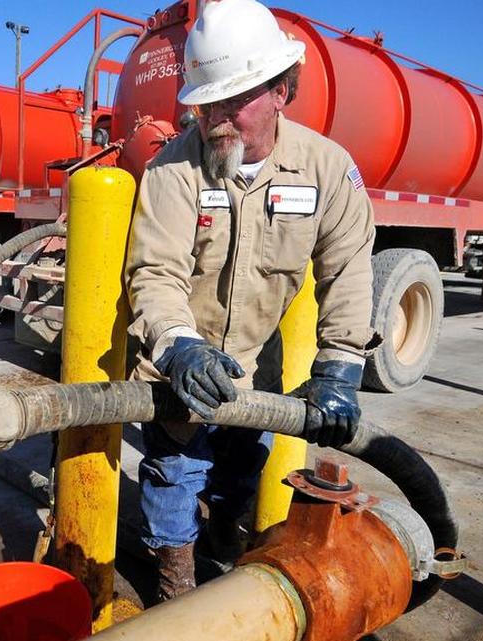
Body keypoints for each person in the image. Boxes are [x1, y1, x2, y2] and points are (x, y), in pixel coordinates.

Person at [125, 0, 377, 601]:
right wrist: (177, 345)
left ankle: (227, 544)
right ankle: (177, 591)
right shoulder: (172, 170)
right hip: (177, 362)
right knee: (174, 477)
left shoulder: (326, 170)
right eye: (207, 101)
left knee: (239, 474)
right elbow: (155, 271)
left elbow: (348, 270)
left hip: (253, 372)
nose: (217, 117)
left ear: (281, 91)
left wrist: (340, 366)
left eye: (234, 100)